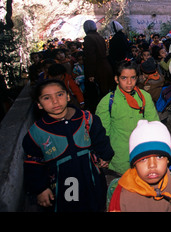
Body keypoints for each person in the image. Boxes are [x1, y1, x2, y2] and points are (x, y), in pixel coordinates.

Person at [22, 79, 114, 211]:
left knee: (97, 205)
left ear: (68, 96)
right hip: (64, 184)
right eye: (47, 98)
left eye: (59, 94)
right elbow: (33, 163)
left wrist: (105, 156)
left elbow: (100, 139)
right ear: (39, 104)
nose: (55, 101)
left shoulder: (87, 119)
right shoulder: (37, 133)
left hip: (91, 177)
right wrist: (40, 188)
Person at [108, 120, 171, 212]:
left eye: (159, 157)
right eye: (143, 159)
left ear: (168, 160)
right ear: (134, 164)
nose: (152, 165)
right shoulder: (120, 192)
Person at [96, 60, 160, 175]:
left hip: (141, 152)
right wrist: (104, 155)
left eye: (133, 78)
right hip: (119, 156)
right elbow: (102, 133)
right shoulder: (107, 102)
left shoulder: (144, 97)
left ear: (137, 78)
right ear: (116, 79)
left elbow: (154, 124)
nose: (129, 82)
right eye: (124, 78)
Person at [83, 20, 115, 112]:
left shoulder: (88, 38)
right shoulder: (99, 37)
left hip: (97, 68)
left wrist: (90, 74)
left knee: (99, 92)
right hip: (105, 66)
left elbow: (90, 57)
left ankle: (101, 111)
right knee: (106, 89)